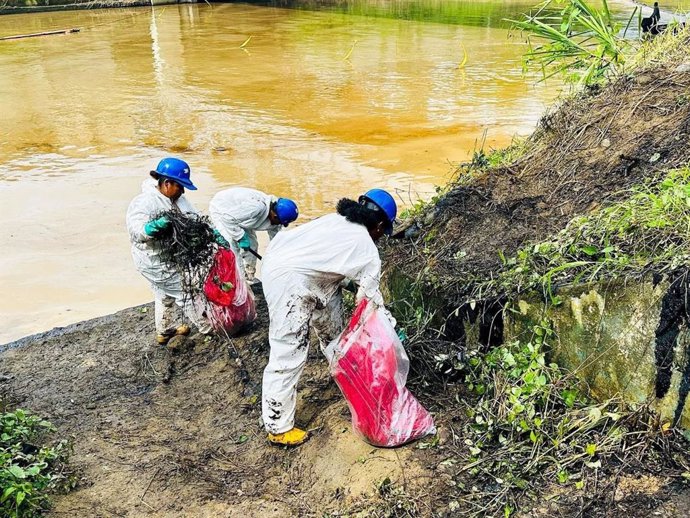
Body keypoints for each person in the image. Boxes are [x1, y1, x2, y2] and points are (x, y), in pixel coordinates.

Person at [260, 188, 398, 446]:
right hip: (289, 283)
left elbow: (328, 259)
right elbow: (370, 303)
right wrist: (390, 328)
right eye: (383, 231)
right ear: (379, 225)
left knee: (334, 335)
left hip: (297, 270)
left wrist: (347, 283)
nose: (381, 237)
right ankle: (278, 426)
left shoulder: (335, 220)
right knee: (289, 350)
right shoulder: (367, 249)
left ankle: (343, 373)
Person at [126, 157, 212, 344]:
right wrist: (152, 228)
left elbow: (195, 218)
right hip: (153, 260)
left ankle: (165, 330)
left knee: (163, 294)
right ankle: (209, 329)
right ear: (166, 183)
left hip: (170, 257)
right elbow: (137, 230)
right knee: (186, 291)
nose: (182, 191)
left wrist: (212, 234)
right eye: (180, 186)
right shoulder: (144, 202)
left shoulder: (179, 200)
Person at [209, 187, 298, 283]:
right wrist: (240, 237)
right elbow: (228, 218)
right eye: (278, 221)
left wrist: (279, 261)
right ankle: (239, 281)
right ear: (274, 215)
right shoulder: (256, 208)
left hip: (240, 216)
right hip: (223, 210)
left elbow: (276, 242)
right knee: (232, 246)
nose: (278, 224)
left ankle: (249, 276)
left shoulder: (277, 218)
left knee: (252, 245)